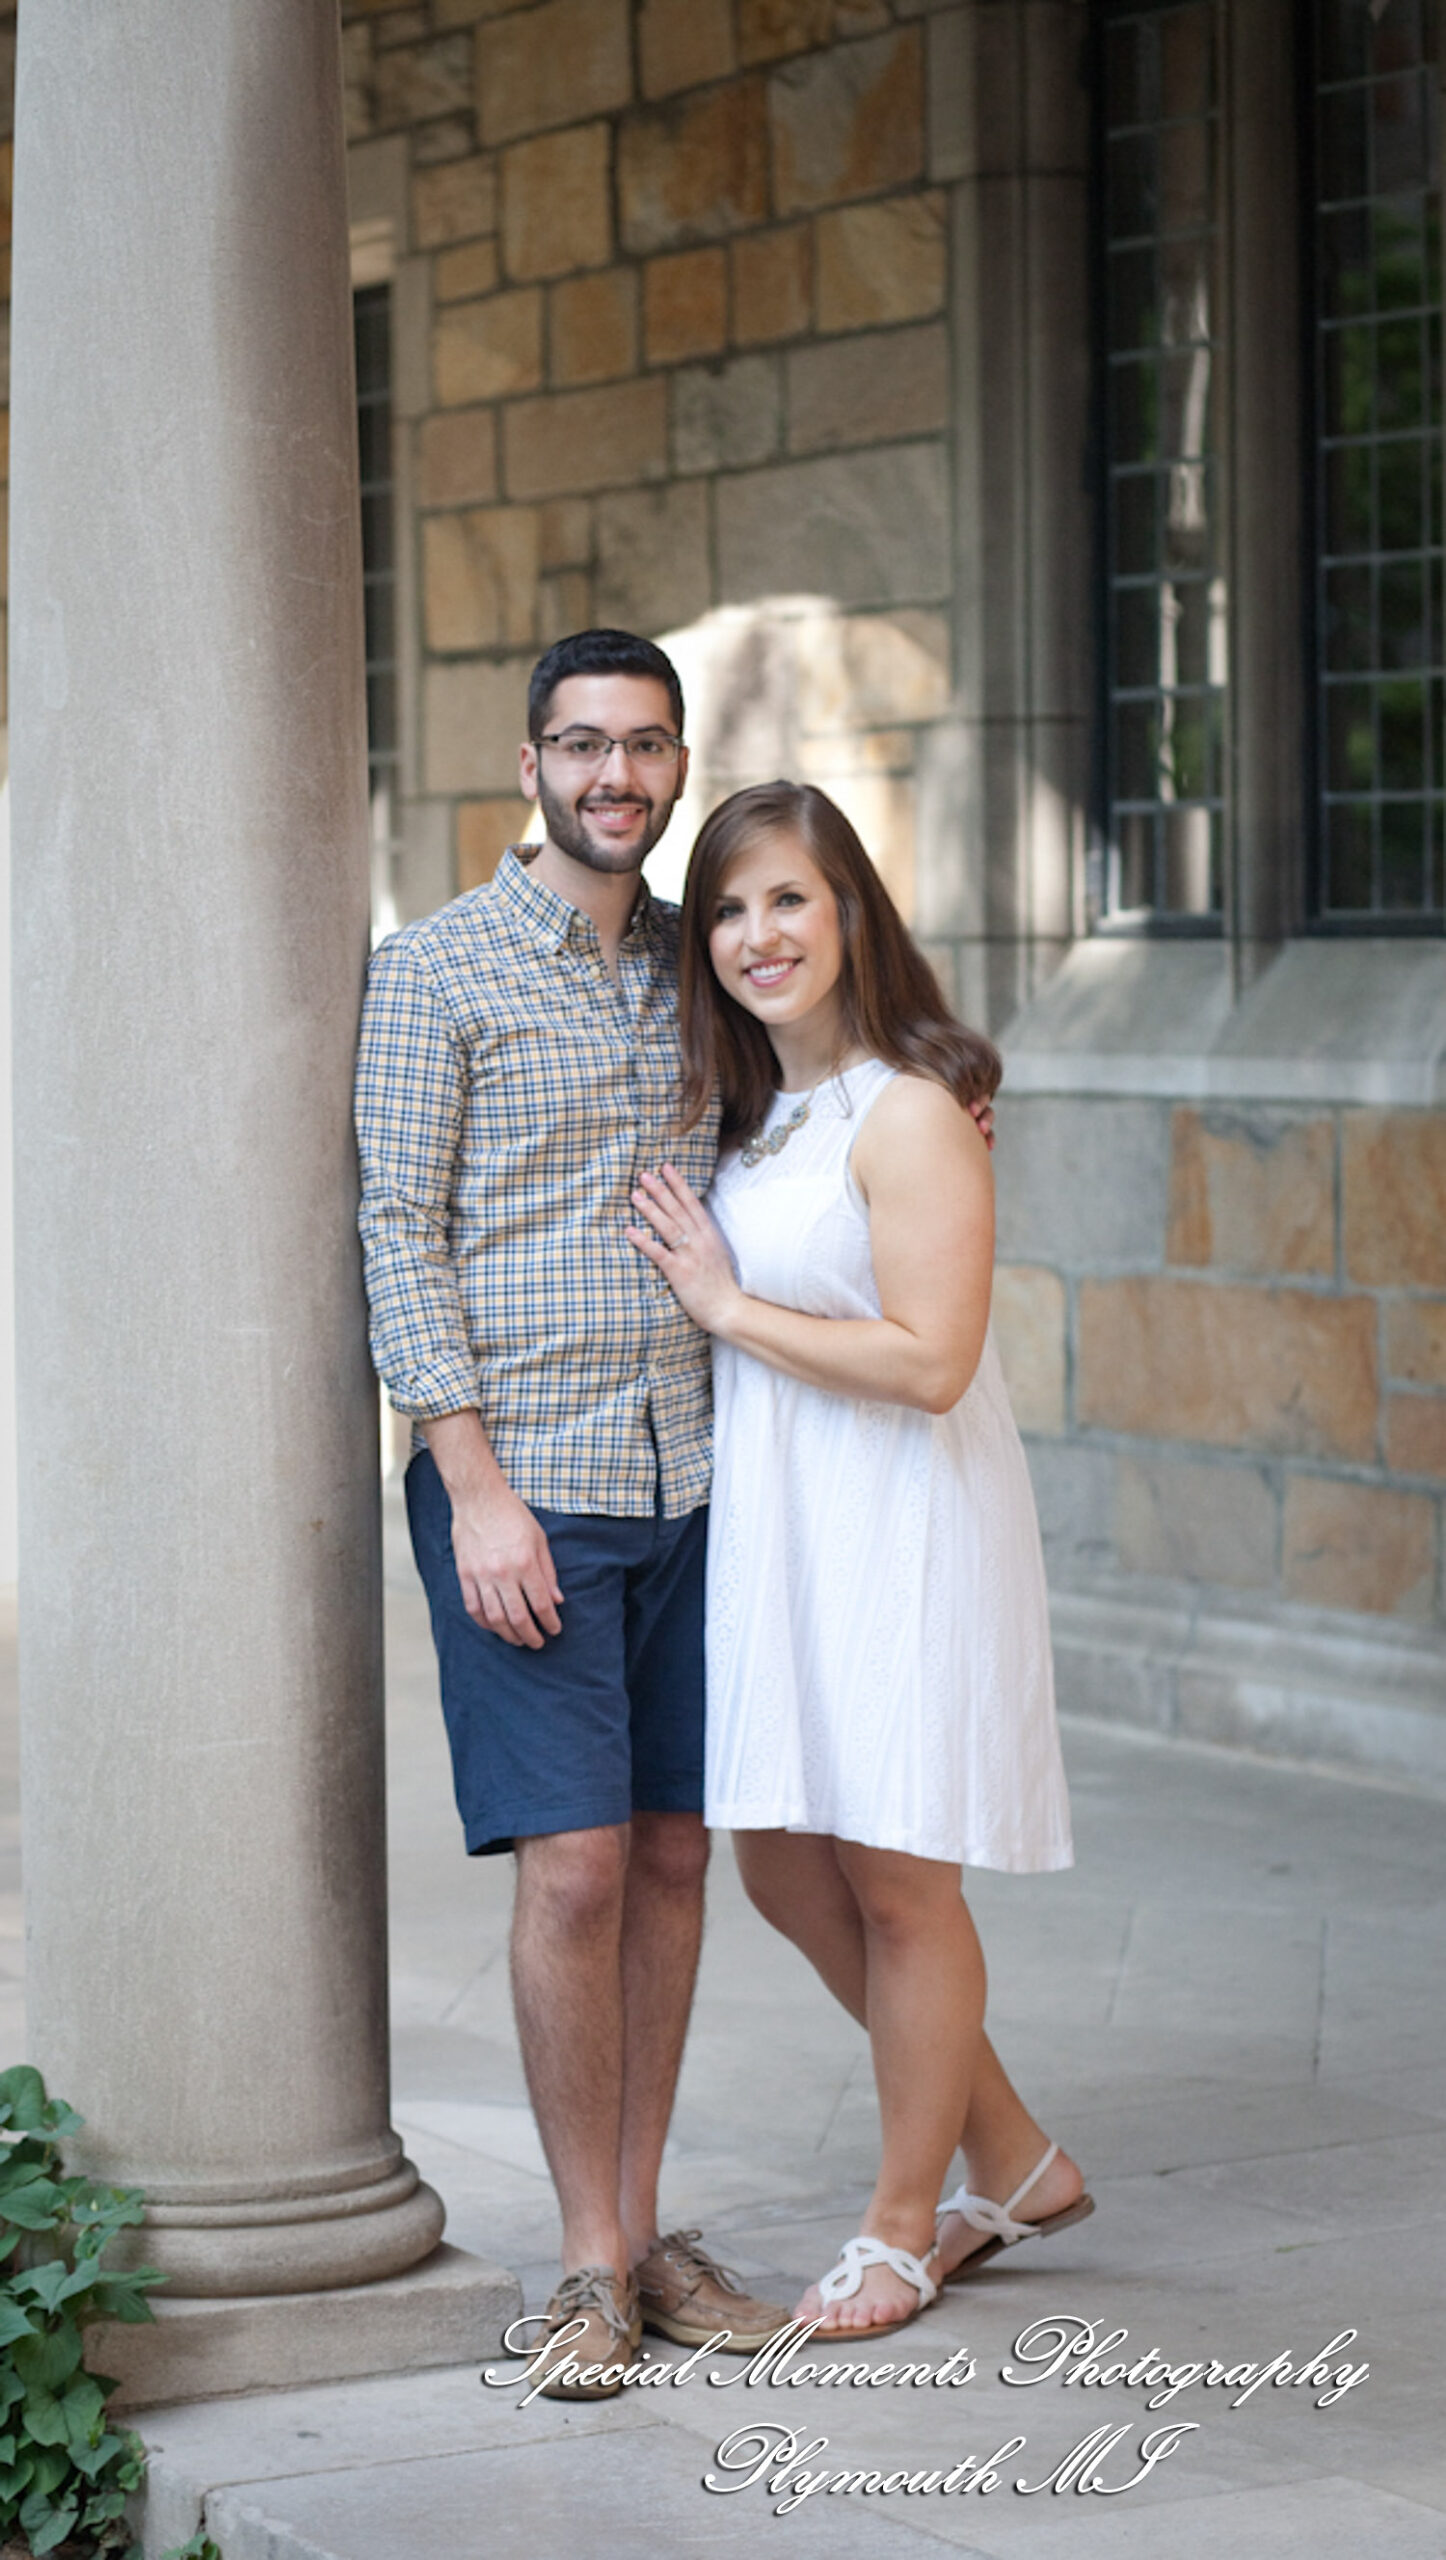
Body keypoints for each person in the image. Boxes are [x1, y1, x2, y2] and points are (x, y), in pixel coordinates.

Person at [354, 631, 788, 2395]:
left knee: (676, 1855)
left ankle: (646, 2231)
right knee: (581, 1864)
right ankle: (588, 2263)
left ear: (678, 765)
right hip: (527, 1485)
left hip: (697, 1472)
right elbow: (397, 1231)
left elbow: (819, 1098)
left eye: (648, 745)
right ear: (530, 761)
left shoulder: (701, 965)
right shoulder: (433, 972)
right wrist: (469, 1486)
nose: (619, 774)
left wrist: (955, 1092)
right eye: (586, 743)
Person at [626, 779, 1092, 2340]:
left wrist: (727, 1307)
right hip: (790, 1530)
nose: (756, 934)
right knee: (780, 1862)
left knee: (897, 1877)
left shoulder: (908, 1109)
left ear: (848, 915)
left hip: (902, 1525)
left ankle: (904, 2225)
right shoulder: (754, 1112)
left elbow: (932, 1363)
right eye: (728, 908)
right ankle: (1013, 2155)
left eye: (788, 899)